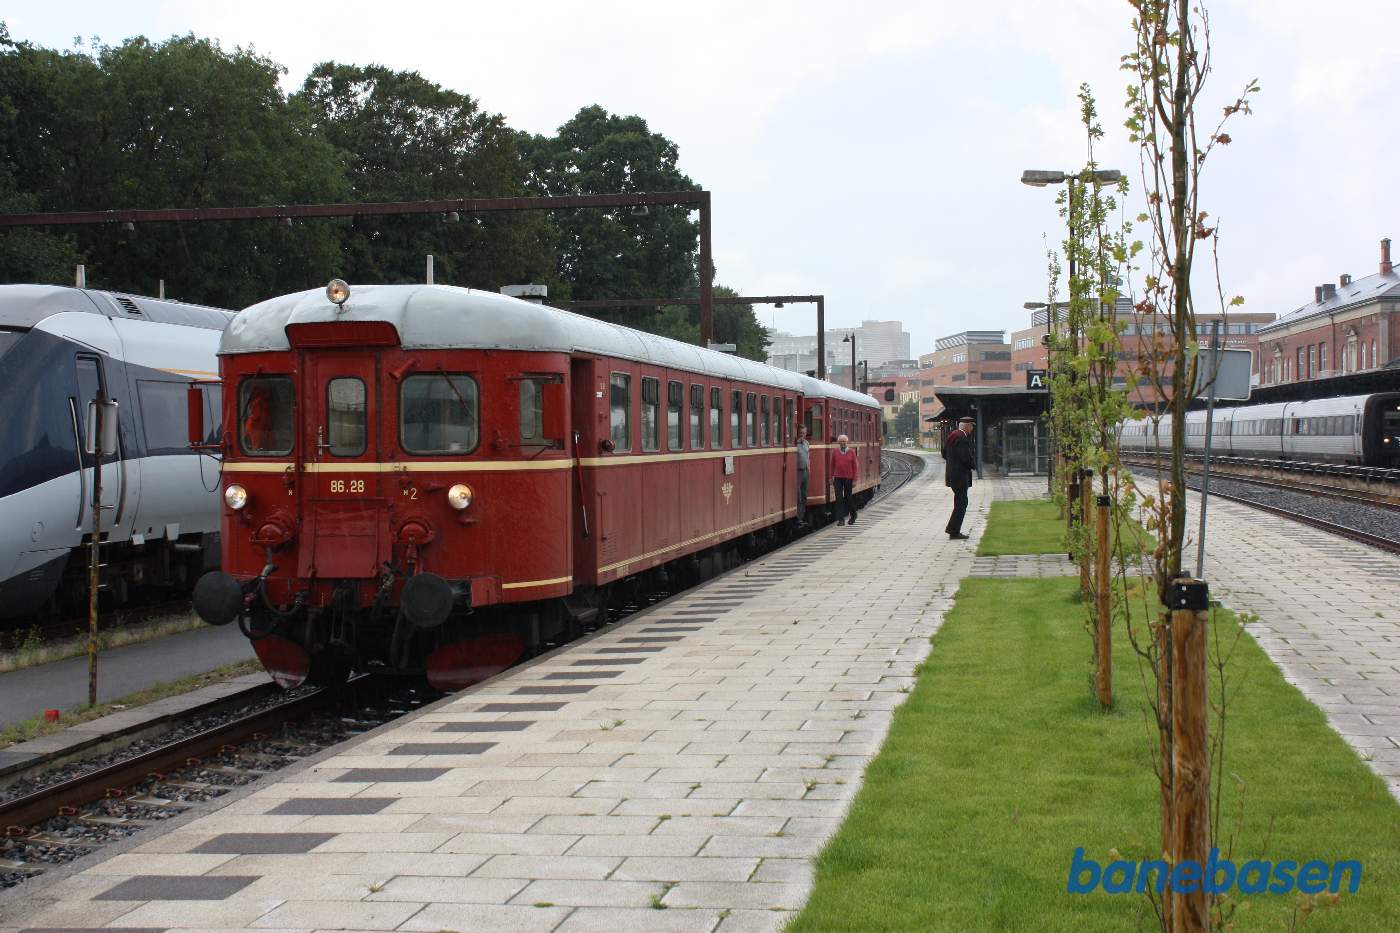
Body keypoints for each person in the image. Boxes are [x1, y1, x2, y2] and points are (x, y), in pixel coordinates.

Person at [943, 416, 975, 539]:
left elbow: (944, 453)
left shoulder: (952, 436)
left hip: (952, 475)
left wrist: (953, 463)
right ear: (966, 425)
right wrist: (973, 465)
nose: (972, 428)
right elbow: (965, 457)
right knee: (962, 503)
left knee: (960, 502)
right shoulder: (962, 438)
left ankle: (952, 529)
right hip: (960, 476)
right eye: (971, 425)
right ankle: (954, 531)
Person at [832, 433, 858, 526]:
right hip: (838, 478)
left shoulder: (851, 452)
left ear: (847, 442)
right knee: (839, 499)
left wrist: (855, 479)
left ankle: (853, 515)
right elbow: (832, 465)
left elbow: (855, 466)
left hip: (848, 478)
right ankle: (841, 520)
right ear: (838, 442)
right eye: (841, 441)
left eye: (844, 441)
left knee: (848, 498)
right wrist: (831, 476)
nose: (842, 443)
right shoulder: (835, 451)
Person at [795, 425, 811, 525]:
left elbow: (808, 457)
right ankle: (797, 517)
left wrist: (809, 469)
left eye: (804, 433)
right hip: (797, 471)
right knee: (798, 494)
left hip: (805, 470)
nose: (802, 435)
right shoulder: (795, 444)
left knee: (804, 494)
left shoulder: (806, 443)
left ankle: (801, 516)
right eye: (801, 433)